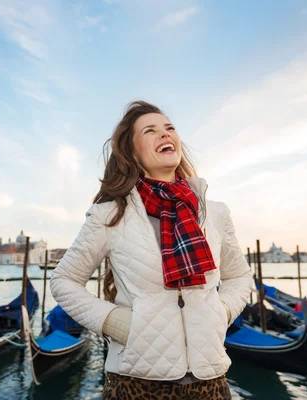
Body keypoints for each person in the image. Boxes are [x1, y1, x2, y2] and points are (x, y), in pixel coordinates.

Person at [50, 100, 253, 399]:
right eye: (151, 130)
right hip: (135, 382)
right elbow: (63, 281)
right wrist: (120, 325)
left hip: (210, 380)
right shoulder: (109, 215)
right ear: (132, 152)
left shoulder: (216, 213)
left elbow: (239, 277)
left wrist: (220, 312)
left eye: (169, 127)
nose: (165, 133)